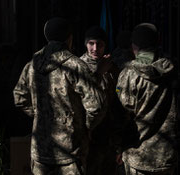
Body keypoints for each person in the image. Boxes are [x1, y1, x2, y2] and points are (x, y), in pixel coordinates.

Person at [13, 17, 106, 175]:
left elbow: (19, 98)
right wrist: (84, 128)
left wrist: (39, 116)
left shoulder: (32, 65)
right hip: (70, 151)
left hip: (40, 149)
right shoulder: (76, 66)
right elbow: (96, 106)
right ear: (69, 39)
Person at [116, 23, 178, 175]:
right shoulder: (173, 71)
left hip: (138, 155)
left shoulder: (128, 74)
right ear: (158, 42)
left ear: (133, 46)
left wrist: (118, 148)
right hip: (167, 155)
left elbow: (121, 116)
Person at [80, 26, 124, 175]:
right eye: (91, 43)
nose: (95, 48)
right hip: (88, 132)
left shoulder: (112, 68)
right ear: (85, 44)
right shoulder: (78, 67)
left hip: (109, 134)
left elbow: (119, 102)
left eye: (100, 44)